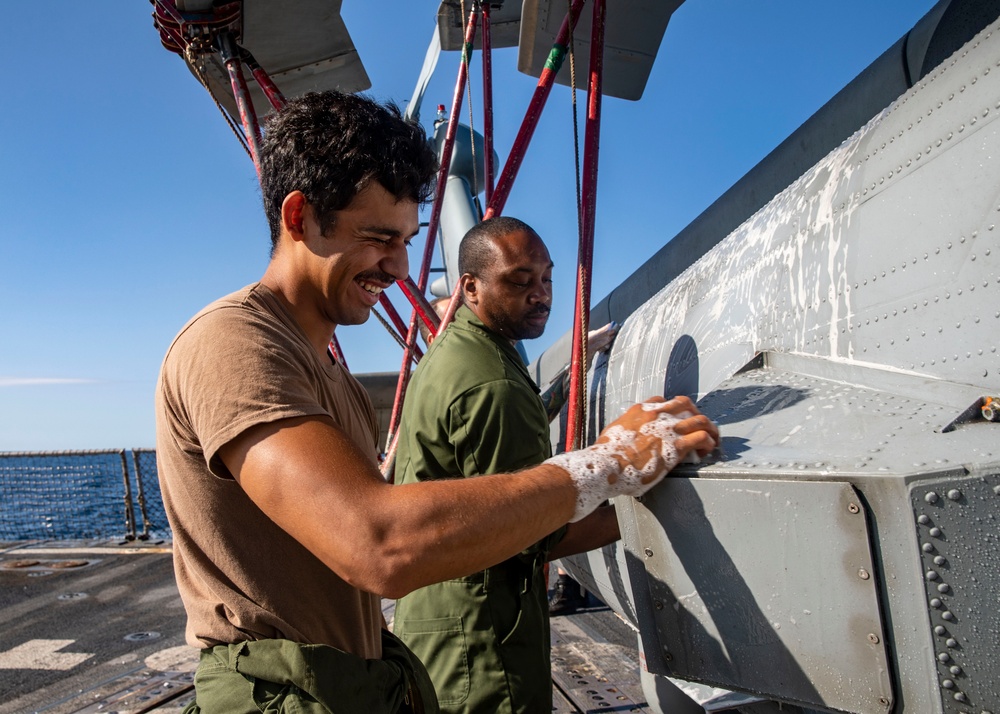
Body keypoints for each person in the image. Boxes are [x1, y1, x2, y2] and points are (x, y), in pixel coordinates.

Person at [155, 90, 719, 713]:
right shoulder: (232, 344)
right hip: (282, 694)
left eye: (406, 241)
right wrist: (607, 464)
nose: (398, 267)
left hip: (345, 687)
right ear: (300, 218)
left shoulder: (326, 369)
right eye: (377, 238)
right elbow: (377, 543)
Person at [389, 218, 627, 712]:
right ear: (470, 287)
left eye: (547, 278)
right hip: (483, 644)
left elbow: (512, 422)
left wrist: (568, 376)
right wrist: (640, 507)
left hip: (436, 617)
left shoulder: (453, 353)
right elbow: (533, 533)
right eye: (520, 282)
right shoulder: (492, 383)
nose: (541, 295)